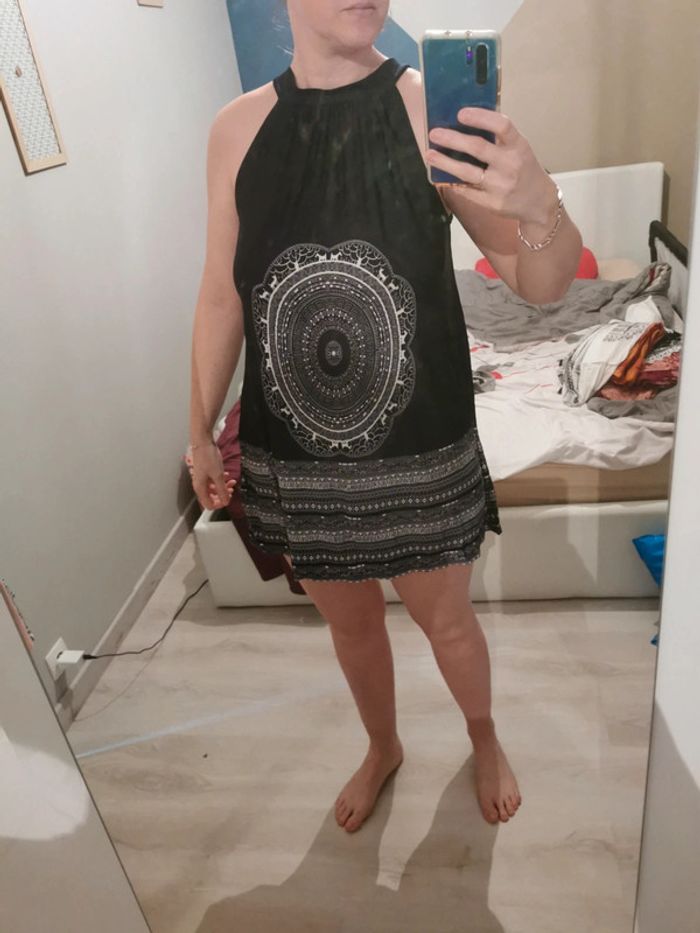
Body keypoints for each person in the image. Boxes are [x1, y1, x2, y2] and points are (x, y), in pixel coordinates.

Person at [189, 0, 583, 832]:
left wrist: (540, 201)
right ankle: (383, 745)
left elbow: (540, 284)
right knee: (353, 628)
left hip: (421, 446)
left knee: (449, 623)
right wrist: (198, 428)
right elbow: (221, 293)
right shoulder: (234, 130)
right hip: (300, 456)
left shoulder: (425, 111)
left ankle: (483, 734)